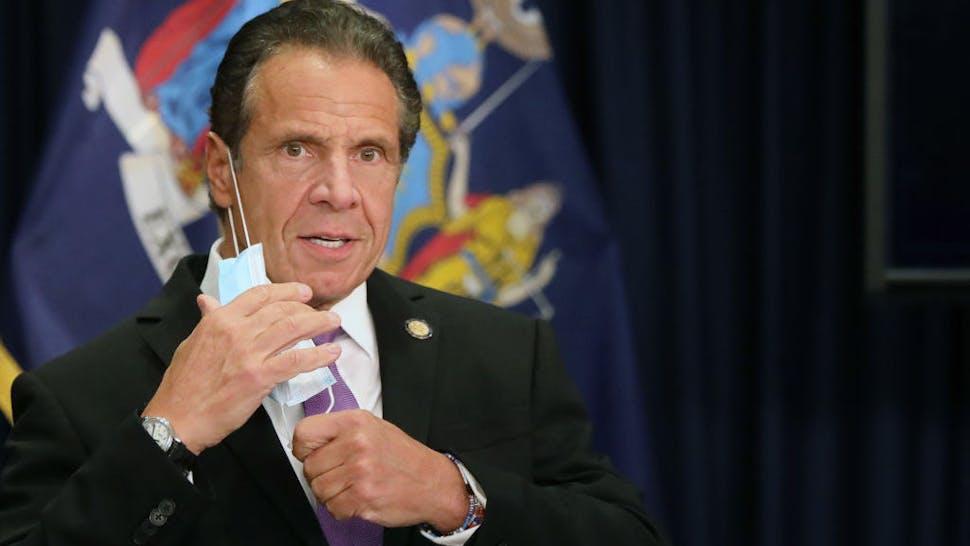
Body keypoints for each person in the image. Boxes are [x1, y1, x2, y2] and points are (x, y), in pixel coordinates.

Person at [0, 1, 663, 544]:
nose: (339, 192)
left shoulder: (506, 356)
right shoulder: (78, 395)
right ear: (221, 171)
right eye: (298, 149)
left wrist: (452, 495)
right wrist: (166, 437)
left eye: (369, 154)